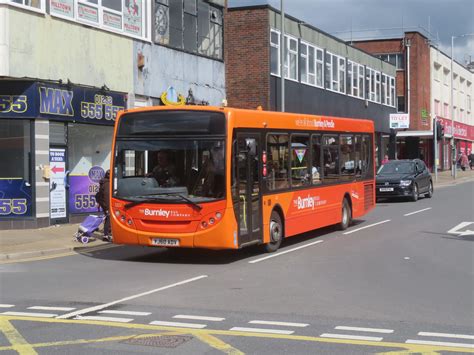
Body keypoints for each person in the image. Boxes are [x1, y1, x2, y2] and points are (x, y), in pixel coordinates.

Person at [95, 170, 111, 241]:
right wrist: (107, 207)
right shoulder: (107, 184)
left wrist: (99, 203)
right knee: (108, 218)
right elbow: (106, 197)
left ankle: (108, 232)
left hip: (104, 204)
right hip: (107, 205)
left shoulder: (103, 182)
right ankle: (106, 235)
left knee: (108, 219)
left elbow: (100, 195)